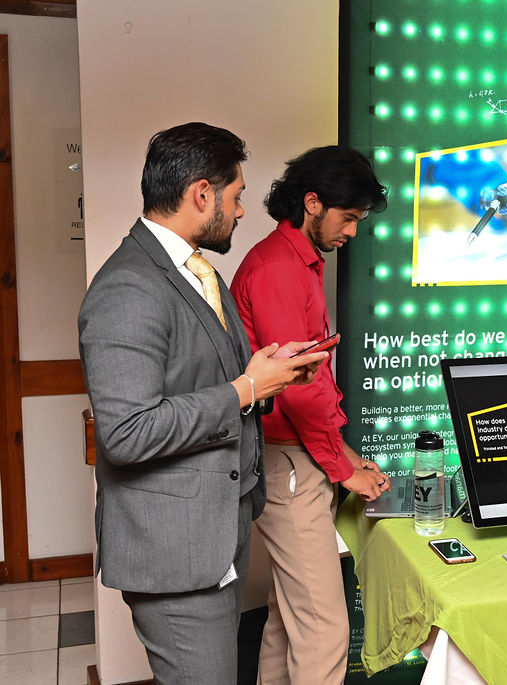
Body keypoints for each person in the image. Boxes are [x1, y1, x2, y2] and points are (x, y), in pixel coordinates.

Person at [78, 122, 329, 683]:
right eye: (236, 197)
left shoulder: (198, 271)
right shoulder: (128, 287)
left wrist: (272, 371)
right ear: (201, 194)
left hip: (215, 532)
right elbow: (126, 433)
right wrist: (247, 389)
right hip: (175, 552)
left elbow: (213, 379)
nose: (240, 212)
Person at [230, 145, 389, 684]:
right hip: (287, 464)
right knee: (323, 630)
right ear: (313, 202)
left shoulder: (295, 262)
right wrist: (343, 469)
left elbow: (313, 382)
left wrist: (345, 456)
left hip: (296, 458)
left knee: (289, 620)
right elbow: (295, 389)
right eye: (349, 217)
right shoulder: (278, 268)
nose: (353, 231)